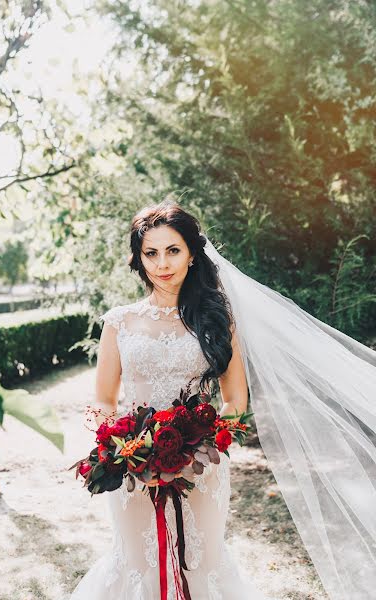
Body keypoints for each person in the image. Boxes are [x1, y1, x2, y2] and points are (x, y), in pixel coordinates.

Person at [69, 201, 270, 599]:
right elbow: (104, 401)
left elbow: (235, 401)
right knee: (137, 563)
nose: (162, 263)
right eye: (151, 253)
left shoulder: (217, 318)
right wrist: (120, 452)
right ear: (139, 259)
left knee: (201, 562)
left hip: (201, 470)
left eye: (173, 250)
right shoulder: (119, 322)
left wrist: (198, 455)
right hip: (132, 469)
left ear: (193, 254)